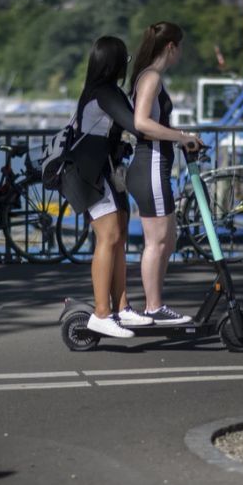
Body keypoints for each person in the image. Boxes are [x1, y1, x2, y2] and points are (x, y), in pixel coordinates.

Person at [61, 35, 154, 338]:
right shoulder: (103, 93)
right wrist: (174, 134)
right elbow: (134, 124)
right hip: (90, 175)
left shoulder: (105, 91)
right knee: (109, 236)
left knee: (120, 236)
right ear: (114, 62)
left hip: (107, 172)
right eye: (125, 59)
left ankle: (122, 307)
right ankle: (102, 312)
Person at [127, 22, 202, 324]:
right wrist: (181, 137)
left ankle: (155, 305)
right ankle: (154, 307)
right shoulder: (152, 78)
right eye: (180, 47)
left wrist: (182, 134)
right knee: (157, 243)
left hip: (156, 167)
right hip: (151, 167)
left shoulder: (149, 76)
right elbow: (142, 123)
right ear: (171, 46)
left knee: (167, 241)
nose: (181, 53)